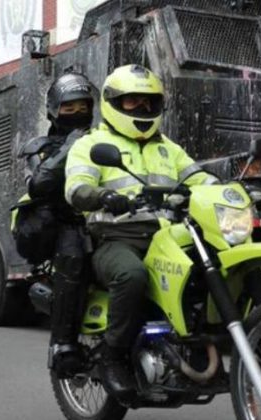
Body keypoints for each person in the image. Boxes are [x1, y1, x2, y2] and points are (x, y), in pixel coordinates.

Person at [64, 65, 218, 399]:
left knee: (212, 265)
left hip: (167, 235)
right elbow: (76, 188)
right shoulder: (92, 144)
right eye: (133, 102)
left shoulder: (168, 148)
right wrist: (103, 196)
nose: (143, 109)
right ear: (112, 102)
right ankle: (113, 356)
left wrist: (228, 190)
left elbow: (199, 178)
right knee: (132, 275)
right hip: (115, 238)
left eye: (150, 102)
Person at [16, 72, 95, 377]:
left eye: (82, 107)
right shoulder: (39, 147)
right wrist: (70, 147)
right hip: (63, 222)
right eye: (69, 108)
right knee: (74, 254)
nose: (77, 114)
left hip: (107, 217)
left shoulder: (101, 138)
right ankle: (62, 345)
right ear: (53, 111)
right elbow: (39, 184)